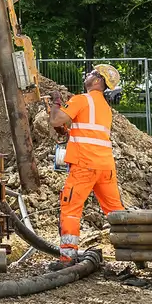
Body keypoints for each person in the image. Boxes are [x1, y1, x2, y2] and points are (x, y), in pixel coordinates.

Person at [51, 63, 124, 260]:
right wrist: (69, 131)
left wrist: (56, 103)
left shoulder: (81, 100)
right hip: (105, 167)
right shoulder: (105, 108)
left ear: (98, 81)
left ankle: (67, 257)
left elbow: (55, 120)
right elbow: (89, 133)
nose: (88, 74)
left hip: (84, 165)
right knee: (116, 212)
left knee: (71, 209)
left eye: (92, 73)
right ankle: (134, 251)